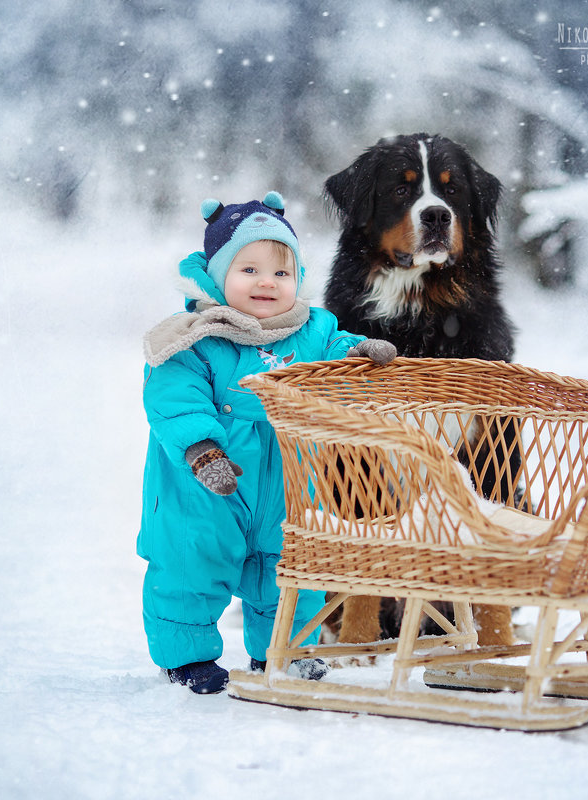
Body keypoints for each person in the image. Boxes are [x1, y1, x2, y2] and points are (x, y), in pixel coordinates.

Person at [138, 191, 397, 694]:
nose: (266, 283)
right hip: (207, 490)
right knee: (191, 568)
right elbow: (174, 401)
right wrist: (202, 451)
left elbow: (334, 359)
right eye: (248, 269)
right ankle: (186, 657)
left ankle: (286, 651)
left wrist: (360, 352)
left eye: (282, 273)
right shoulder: (191, 339)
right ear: (215, 276)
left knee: (290, 573)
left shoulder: (311, 331)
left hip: (287, 487)